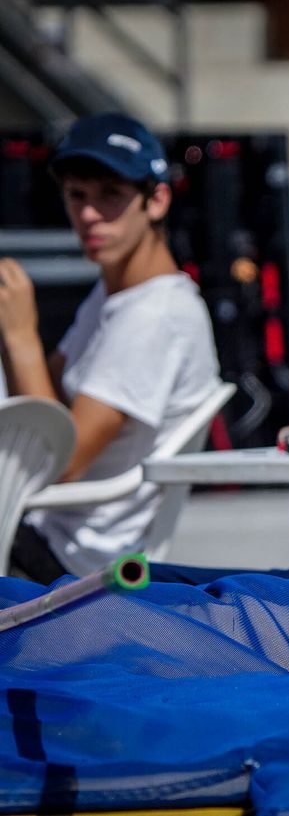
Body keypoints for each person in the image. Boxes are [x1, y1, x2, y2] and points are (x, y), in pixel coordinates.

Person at [0, 113, 221, 582]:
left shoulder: (153, 317)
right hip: (47, 531)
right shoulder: (118, 296)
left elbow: (60, 461)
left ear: (156, 200)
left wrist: (20, 337)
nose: (89, 215)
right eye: (77, 195)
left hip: (71, 563)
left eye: (110, 196)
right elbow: (48, 394)